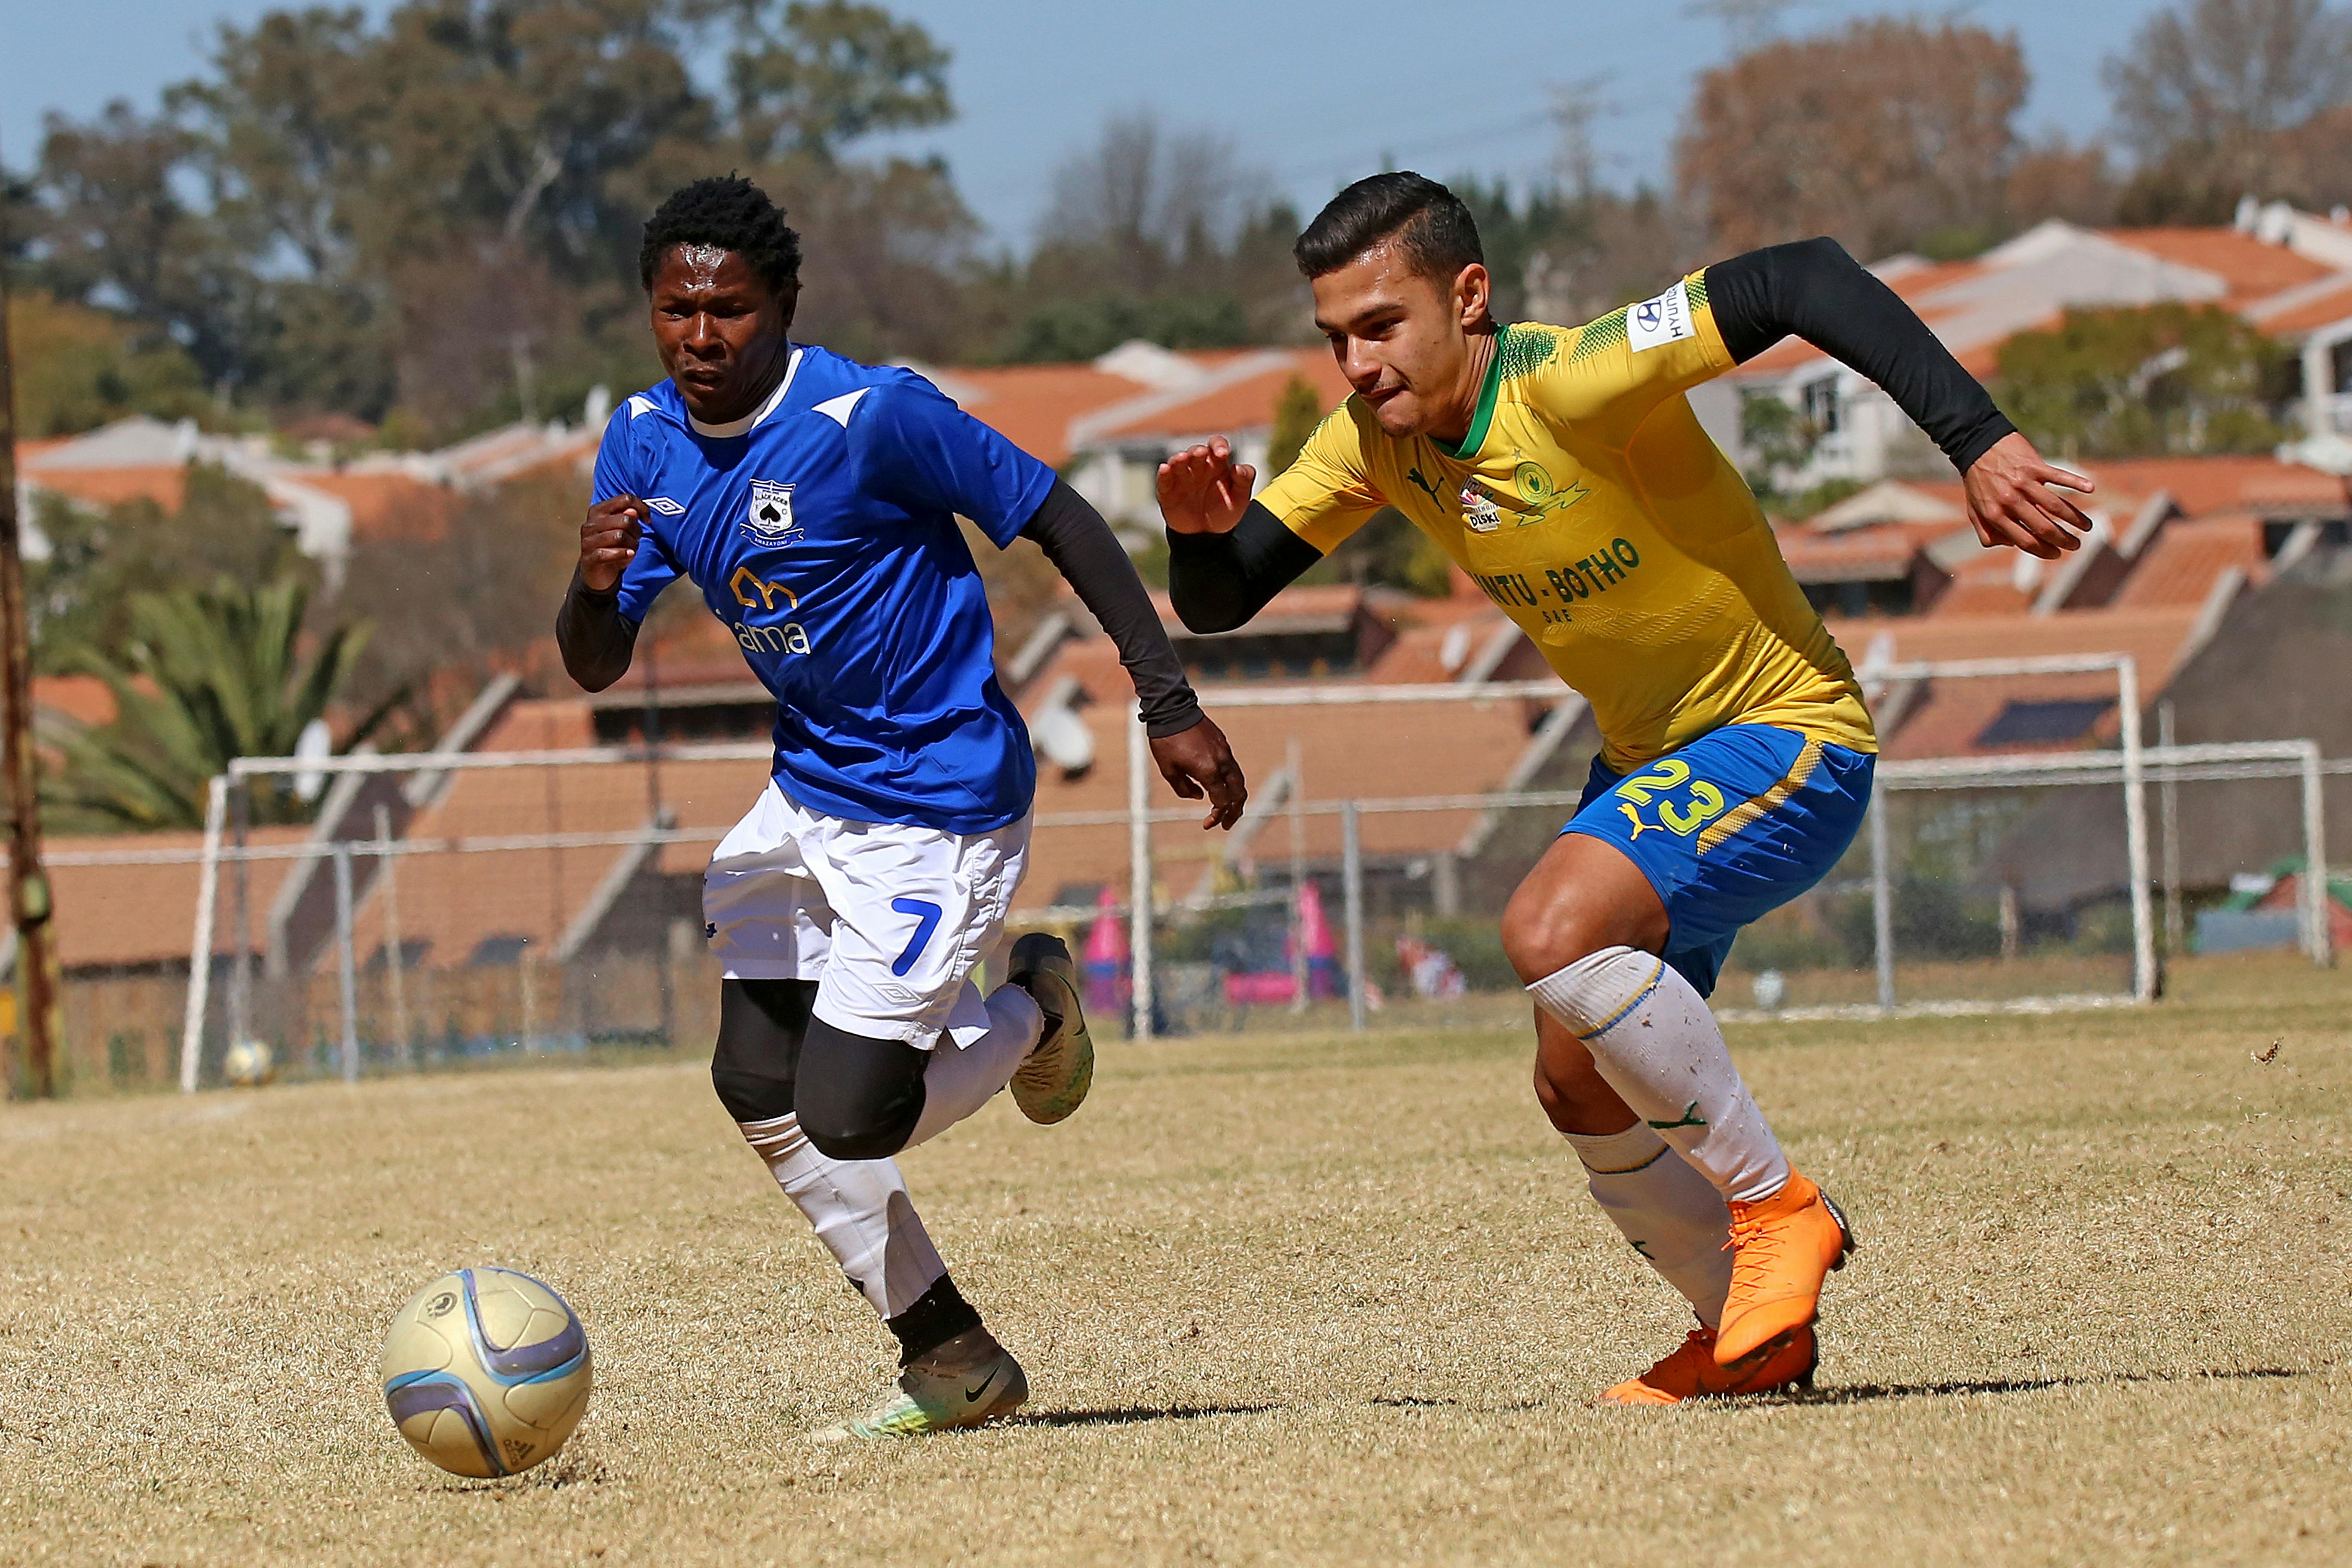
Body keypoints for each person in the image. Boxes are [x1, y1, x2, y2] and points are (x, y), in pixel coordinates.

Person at [1158, 172, 2092, 1405]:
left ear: (1469, 297)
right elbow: (1222, 600)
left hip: (1788, 736)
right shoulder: (1372, 449)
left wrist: (1978, 443)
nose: (1358, 363)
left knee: (1546, 927)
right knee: (1572, 1077)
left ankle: (1780, 1211)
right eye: (1335, 338)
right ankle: (1750, 1339)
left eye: (1381, 325)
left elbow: (1806, 273)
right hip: (1651, 769)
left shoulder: (1570, 377)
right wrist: (1192, 530)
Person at [558, 176, 1247, 1439]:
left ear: (783, 305)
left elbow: (1063, 517)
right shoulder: (644, 440)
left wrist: (1167, 702)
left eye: (729, 310)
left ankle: (1037, 1009)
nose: (700, 338)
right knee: (754, 1082)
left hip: (939, 808)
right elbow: (592, 663)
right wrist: (593, 592)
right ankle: (952, 1358)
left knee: (852, 1115)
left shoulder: (872, 415)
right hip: (804, 793)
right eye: (675, 311)